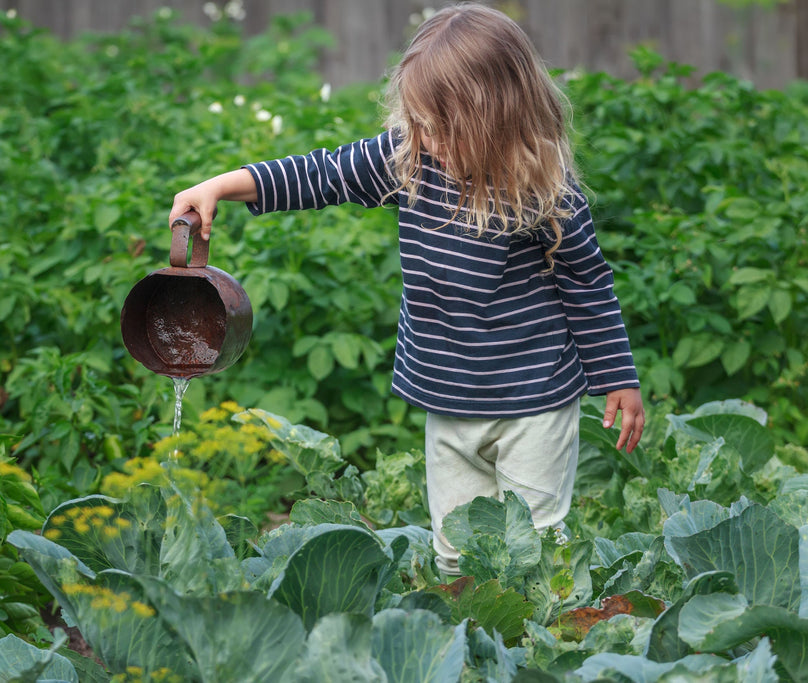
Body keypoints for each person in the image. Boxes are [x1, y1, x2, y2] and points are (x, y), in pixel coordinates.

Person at [169, 2, 644, 576]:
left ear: (498, 119)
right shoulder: (410, 161)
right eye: (416, 121)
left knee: (535, 552)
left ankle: (536, 657)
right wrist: (218, 186)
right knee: (454, 553)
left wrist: (618, 378)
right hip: (447, 399)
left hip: (537, 400)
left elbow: (586, 283)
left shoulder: (543, 186)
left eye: (439, 127)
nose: (422, 137)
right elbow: (321, 173)